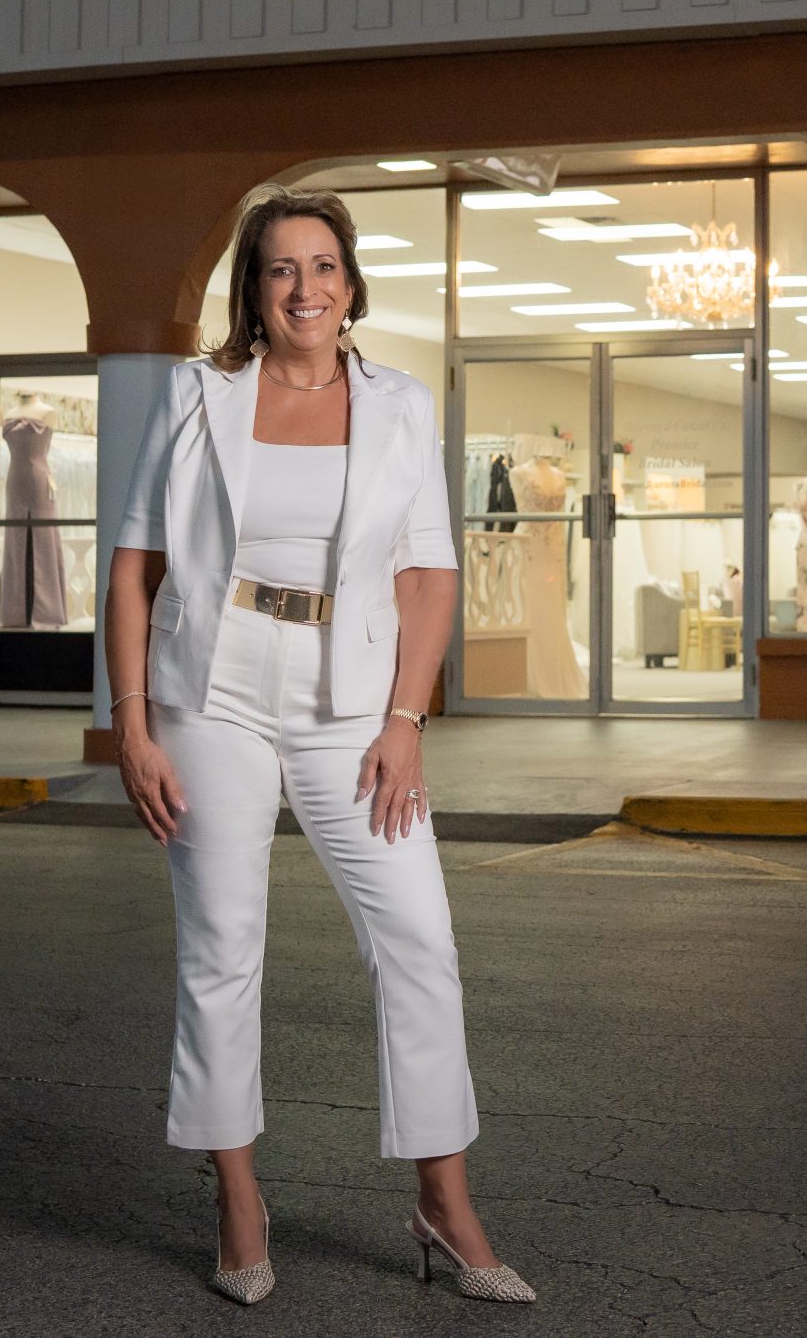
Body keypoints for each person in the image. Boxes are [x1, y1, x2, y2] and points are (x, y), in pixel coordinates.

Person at [105, 186, 534, 1308]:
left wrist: (406, 719)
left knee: (419, 938)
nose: (306, 286)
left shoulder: (399, 404)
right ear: (254, 290)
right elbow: (135, 566)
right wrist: (133, 726)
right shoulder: (197, 395)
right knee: (221, 944)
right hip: (214, 688)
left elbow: (428, 573)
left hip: (353, 698)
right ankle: (238, 1199)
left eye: (324, 265)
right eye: (282, 267)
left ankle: (444, 1201)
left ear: (350, 283)